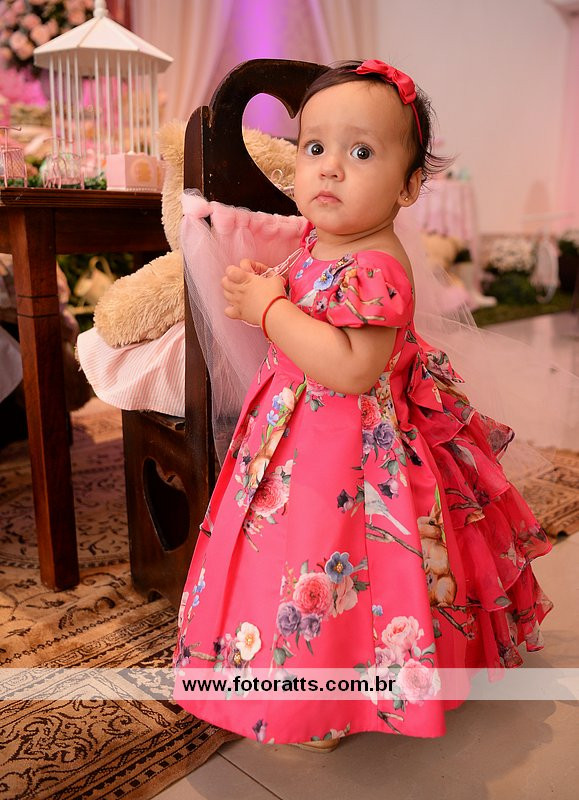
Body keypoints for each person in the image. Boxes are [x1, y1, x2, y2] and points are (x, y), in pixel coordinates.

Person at [173, 60, 553, 750]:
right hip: (295, 433)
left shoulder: (378, 266)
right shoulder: (318, 244)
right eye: (315, 147)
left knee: (333, 560)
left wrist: (270, 311)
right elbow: (308, 303)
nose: (329, 168)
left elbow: (352, 368)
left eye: (361, 153)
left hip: (351, 456)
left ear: (408, 186)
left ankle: (335, 694)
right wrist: (272, 284)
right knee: (284, 554)